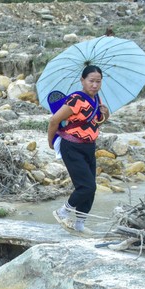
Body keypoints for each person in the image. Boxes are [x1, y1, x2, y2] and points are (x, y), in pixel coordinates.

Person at [47, 65, 109, 234]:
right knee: (86, 186)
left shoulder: (97, 100)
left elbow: (95, 123)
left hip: (89, 147)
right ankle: (63, 212)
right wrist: (50, 141)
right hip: (72, 146)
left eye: (98, 81)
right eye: (91, 81)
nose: (95, 85)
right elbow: (54, 121)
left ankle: (80, 224)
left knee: (91, 188)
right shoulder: (75, 99)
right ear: (82, 81)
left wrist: (106, 114)